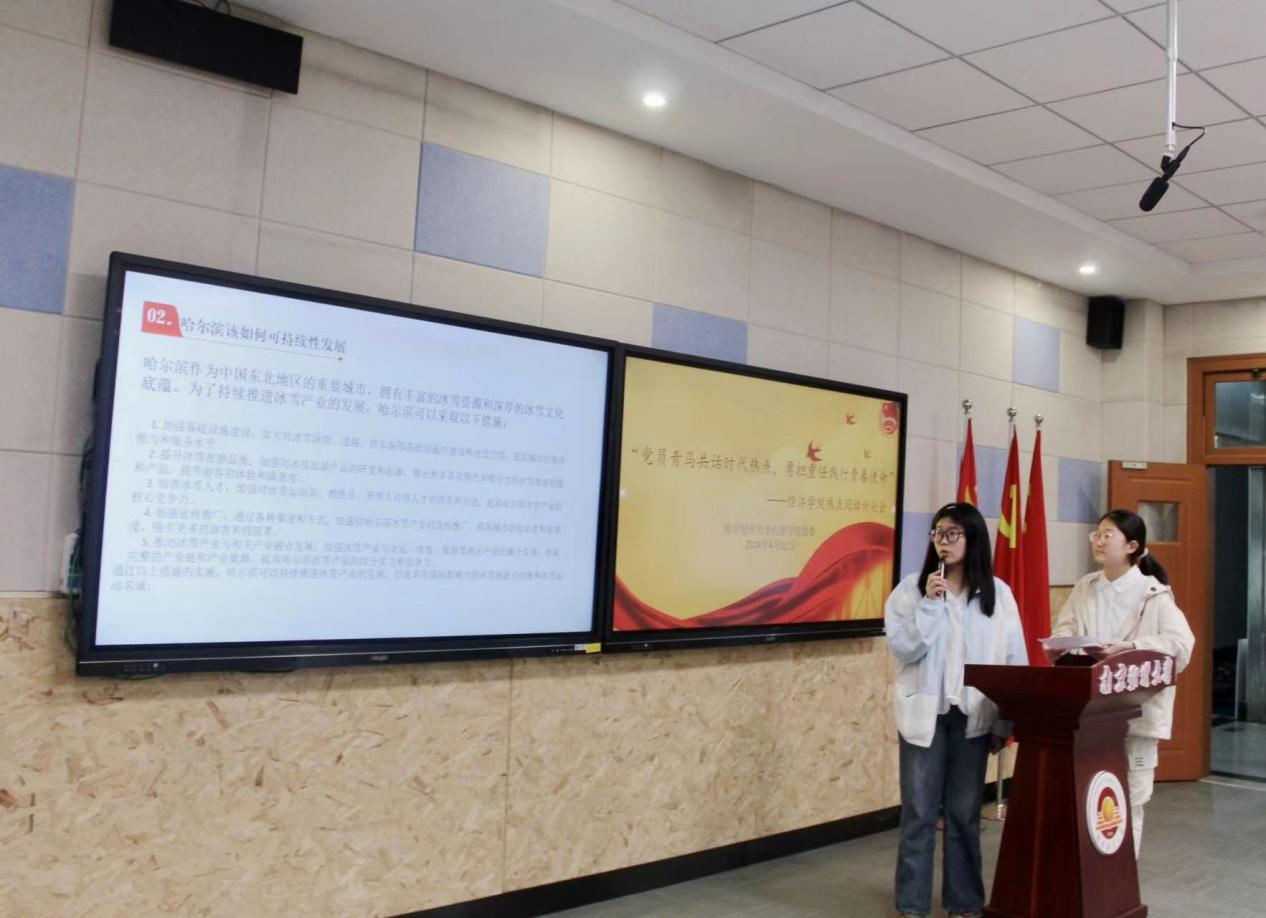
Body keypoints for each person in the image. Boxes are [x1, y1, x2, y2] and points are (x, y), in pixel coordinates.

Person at [885, 502, 1027, 918]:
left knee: (964, 814)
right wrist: (930, 605)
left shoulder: (999, 594)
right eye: (937, 533)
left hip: (973, 717)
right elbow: (904, 648)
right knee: (919, 814)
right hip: (924, 716)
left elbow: (1013, 660)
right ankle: (912, 906)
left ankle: (964, 903)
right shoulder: (912, 589)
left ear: (972, 538)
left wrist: (1007, 717)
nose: (942, 542)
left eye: (952, 534)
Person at [1047, 509, 1195, 857]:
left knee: (1128, 801)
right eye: (1096, 535)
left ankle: (1121, 881)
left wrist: (1130, 647)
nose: (1099, 541)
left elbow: (1181, 645)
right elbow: (1063, 631)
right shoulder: (1086, 586)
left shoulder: (1153, 593)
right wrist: (1068, 647)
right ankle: (1091, 877)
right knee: (1089, 797)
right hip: (1090, 714)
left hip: (1136, 717)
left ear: (1132, 546)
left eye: (1107, 535)